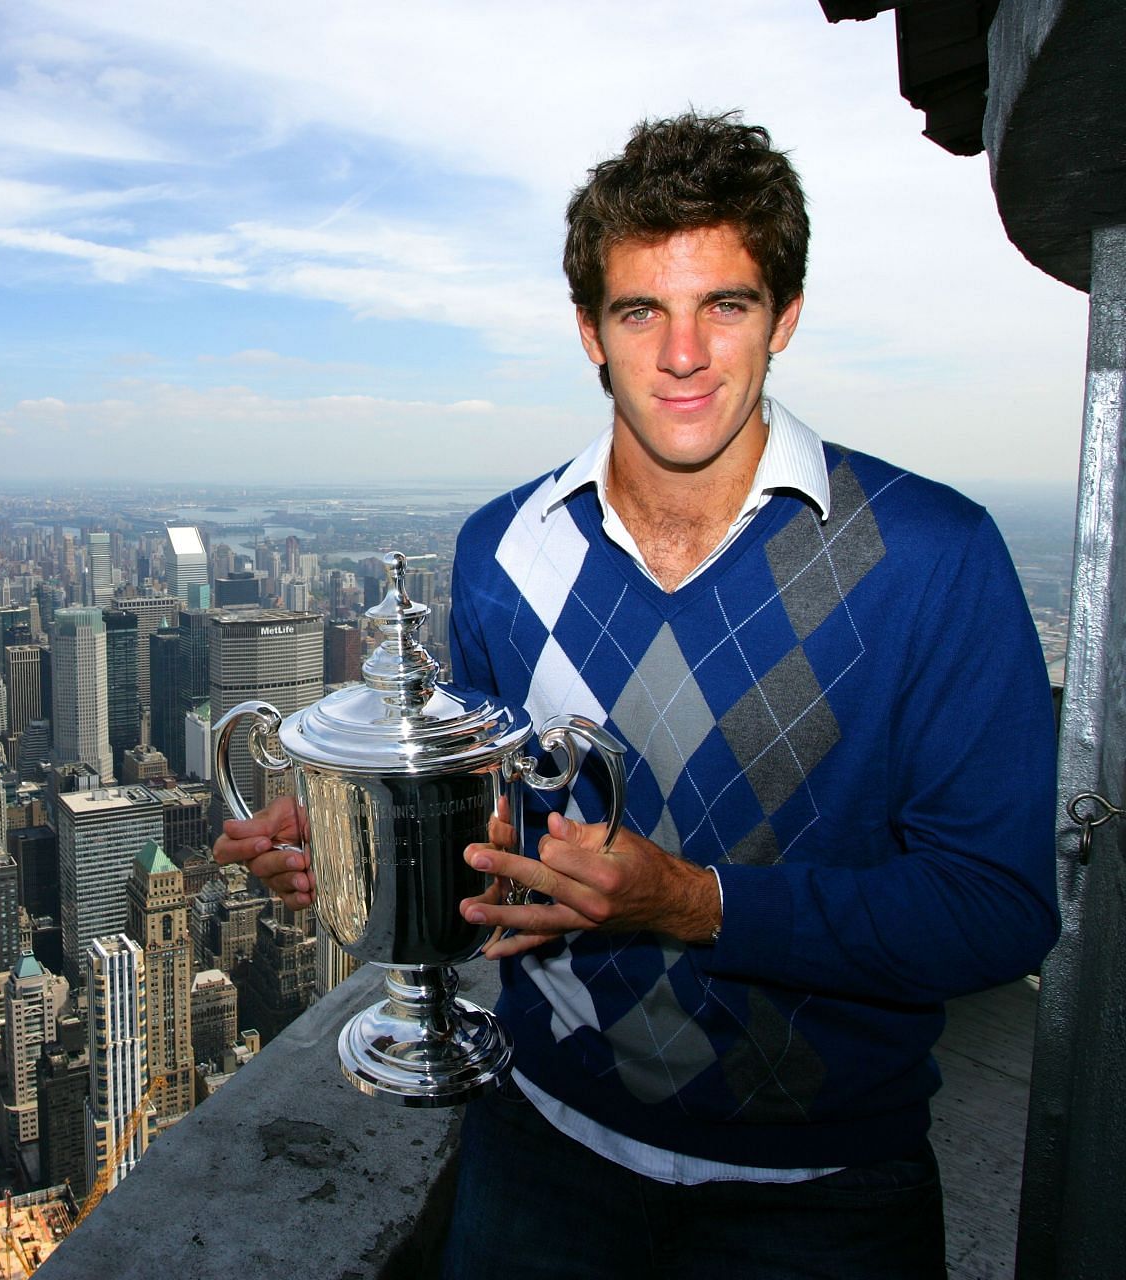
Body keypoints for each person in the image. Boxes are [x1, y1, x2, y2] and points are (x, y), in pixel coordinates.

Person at [214, 112, 1059, 1278]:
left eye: (726, 303)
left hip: (824, 1196)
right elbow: (498, 827)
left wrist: (698, 902)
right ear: (589, 334)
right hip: (538, 1143)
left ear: (787, 317)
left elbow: (998, 907)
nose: (683, 353)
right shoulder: (501, 554)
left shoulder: (932, 557)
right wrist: (364, 839)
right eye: (640, 310)